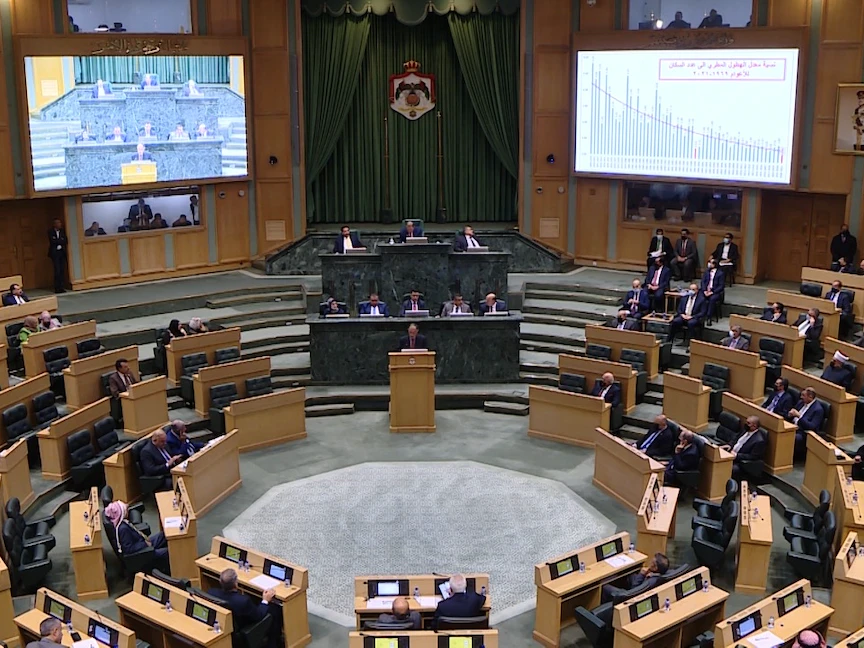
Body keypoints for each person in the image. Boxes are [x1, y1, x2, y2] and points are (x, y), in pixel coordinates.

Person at [209, 569, 281, 648]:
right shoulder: (243, 601)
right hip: (245, 631)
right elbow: (259, 615)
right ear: (235, 583)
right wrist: (265, 600)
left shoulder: (211, 593)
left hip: (226, 627)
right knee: (274, 609)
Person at [105, 500, 169, 565]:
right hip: (142, 553)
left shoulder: (123, 523)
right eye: (125, 509)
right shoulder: (123, 529)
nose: (127, 509)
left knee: (164, 535)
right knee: (168, 551)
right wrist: (145, 544)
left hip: (142, 542)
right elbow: (129, 549)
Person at [601, 553, 669, 603]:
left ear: (655, 568)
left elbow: (635, 589)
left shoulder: (650, 580)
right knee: (628, 574)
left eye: (652, 562)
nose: (650, 562)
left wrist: (641, 574)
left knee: (604, 586)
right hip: (636, 589)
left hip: (628, 595)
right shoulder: (658, 576)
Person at [787, 387, 826, 458]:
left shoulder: (818, 410)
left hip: (803, 432)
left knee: (791, 437)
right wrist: (790, 414)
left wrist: (799, 416)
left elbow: (811, 427)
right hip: (792, 426)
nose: (801, 397)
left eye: (803, 395)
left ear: (810, 397)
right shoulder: (801, 402)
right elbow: (792, 413)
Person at [727, 416, 767, 480]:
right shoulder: (745, 430)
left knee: (726, 468)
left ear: (754, 426)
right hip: (730, 454)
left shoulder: (759, 441)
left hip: (740, 462)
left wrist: (737, 455)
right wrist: (730, 445)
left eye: (748, 423)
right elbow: (735, 438)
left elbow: (753, 456)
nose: (745, 424)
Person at [48, 219, 68, 293]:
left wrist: (58, 240)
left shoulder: (63, 231)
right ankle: (57, 287)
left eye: (60, 223)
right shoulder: (50, 232)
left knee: (62, 270)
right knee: (57, 271)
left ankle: (62, 287)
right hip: (55, 253)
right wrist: (60, 240)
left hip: (62, 253)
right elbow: (52, 241)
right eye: (57, 223)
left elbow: (65, 241)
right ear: (54, 224)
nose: (59, 224)